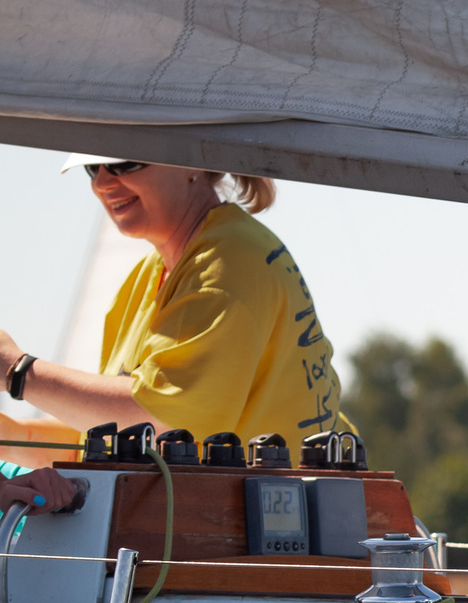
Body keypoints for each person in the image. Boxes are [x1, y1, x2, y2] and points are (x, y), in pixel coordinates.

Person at [0, 159, 353, 446]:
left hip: (281, 525)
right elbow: (112, 436)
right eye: (93, 168)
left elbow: (159, 422)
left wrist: (17, 371)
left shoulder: (227, 261)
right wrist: (13, 435)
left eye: (124, 163)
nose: (102, 182)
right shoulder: (156, 271)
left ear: (190, 161)